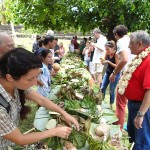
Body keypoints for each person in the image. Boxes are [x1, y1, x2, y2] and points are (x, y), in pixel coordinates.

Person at [0, 48, 79, 149]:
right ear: (10, 77)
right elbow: (20, 139)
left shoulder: (16, 85)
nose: (35, 83)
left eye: (36, 77)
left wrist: (64, 113)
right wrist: (55, 131)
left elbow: (41, 100)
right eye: (30, 79)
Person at [118, 31, 150, 149]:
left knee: (142, 142)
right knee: (134, 136)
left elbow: (149, 91)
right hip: (133, 104)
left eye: (131, 43)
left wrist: (140, 114)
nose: (128, 46)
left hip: (142, 108)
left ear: (140, 44)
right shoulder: (141, 58)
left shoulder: (148, 60)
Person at [109, 25, 133, 130]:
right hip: (135, 74)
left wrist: (114, 72)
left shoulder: (121, 42)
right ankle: (128, 126)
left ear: (116, 34)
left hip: (128, 75)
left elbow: (124, 60)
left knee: (120, 103)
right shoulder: (131, 39)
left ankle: (118, 128)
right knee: (130, 103)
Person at [100, 41, 120, 108]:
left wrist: (108, 61)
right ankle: (101, 102)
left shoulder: (116, 55)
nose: (107, 51)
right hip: (107, 73)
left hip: (115, 74)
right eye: (106, 49)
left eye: (108, 49)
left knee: (111, 91)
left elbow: (117, 66)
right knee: (102, 88)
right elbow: (103, 62)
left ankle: (111, 105)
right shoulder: (107, 53)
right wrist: (102, 61)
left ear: (112, 49)